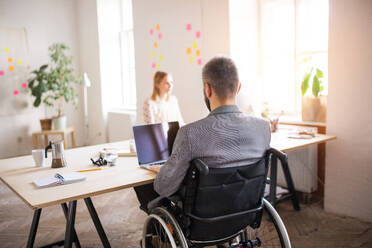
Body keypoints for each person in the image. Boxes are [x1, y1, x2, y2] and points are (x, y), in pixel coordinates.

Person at [134, 56, 271, 212]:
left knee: (143, 185)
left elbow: (163, 187)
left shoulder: (189, 133)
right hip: (244, 211)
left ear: (208, 89)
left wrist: (165, 171)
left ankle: (157, 232)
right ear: (238, 88)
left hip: (202, 218)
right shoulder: (263, 128)